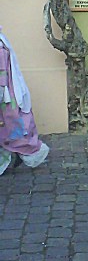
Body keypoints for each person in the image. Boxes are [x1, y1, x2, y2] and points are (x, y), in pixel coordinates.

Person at [0, 27, 50, 176]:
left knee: (11, 126)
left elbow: (2, 75)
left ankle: (29, 152)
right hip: (7, 94)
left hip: (6, 96)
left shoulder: (1, 48)